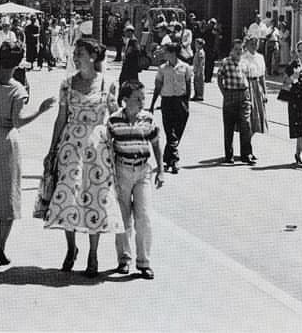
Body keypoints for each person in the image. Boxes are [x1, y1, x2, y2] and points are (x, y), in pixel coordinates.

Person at [43, 38, 124, 277]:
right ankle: (71, 248)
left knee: (95, 197)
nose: (75, 57)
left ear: (93, 55)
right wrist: (52, 150)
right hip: (71, 146)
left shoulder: (107, 84)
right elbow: (61, 118)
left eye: (80, 53)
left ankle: (93, 254)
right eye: (74, 53)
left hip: (98, 148)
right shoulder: (67, 84)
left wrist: (120, 143)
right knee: (68, 195)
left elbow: (114, 115)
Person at [0, 42, 55, 266]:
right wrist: (40, 110)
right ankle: (1, 246)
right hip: (7, 141)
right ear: (19, 62)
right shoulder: (18, 89)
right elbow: (18, 121)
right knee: (8, 195)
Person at [108, 80, 164, 279]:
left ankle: (144, 262)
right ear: (125, 100)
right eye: (137, 99)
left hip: (143, 172)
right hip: (122, 171)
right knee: (123, 218)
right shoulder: (114, 121)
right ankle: (124, 259)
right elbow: (107, 147)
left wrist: (161, 169)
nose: (141, 102)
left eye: (143, 98)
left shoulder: (148, 119)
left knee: (144, 217)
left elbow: (156, 143)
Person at [149, 43, 192, 174]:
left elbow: (189, 85)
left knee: (178, 131)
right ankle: (174, 160)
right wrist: (152, 105)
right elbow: (157, 87)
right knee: (169, 131)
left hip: (181, 101)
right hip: (167, 102)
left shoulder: (186, 67)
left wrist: (187, 103)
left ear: (173, 53)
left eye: (166, 51)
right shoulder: (162, 69)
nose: (163, 54)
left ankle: (167, 158)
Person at [216, 39, 253, 165]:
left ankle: (246, 154)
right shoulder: (226, 62)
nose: (239, 51)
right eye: (236, 49)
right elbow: (219, 78)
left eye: (241, 49)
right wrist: (224, 93)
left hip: (244, 95)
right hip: (230, 95)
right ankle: (229, 155)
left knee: (246, 125)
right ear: (231, 50)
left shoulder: (245, 62)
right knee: (229, 126)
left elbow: (248, 78)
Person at [241, 37, 269, 144]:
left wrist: (265, 93)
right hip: (247, 86)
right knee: (248, 118)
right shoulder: (243, 58)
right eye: (251, 43)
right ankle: (246, 146)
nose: (254, 46)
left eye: (256, 44)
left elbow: (262, 77)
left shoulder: (260, 57)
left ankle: (248, 145)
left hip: (257, 87)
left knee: (256, 118)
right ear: (247, 45)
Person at [118, 26, 141, 104]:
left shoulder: (134, 41)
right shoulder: (130, 41)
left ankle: (122, 99)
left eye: (126, 32)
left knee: (128, 83)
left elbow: (136, 51)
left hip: (130, 67)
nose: (125, 33)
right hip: (128, 66)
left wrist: (128, 54)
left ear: (130, 32)